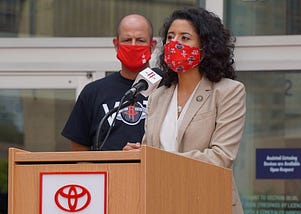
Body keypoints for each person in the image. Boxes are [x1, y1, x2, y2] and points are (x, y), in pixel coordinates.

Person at [123, 8, 246, 214]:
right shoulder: (158, 95)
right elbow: (151, 152)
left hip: (208, 202)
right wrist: (140, 155)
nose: (174, 44)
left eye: (185, 37)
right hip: (160, 203)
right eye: (170, 37)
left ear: (206, 46)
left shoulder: (228, 92)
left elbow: (221, 157)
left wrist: (158, 159)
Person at [61, 14, 158, 151]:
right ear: (116, 45)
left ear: (152, 45)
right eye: (127, 40)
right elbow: (79, 150)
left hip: (156, 170)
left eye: (140, 40)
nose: (133, 45)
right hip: (108, 172)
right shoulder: (93, 92)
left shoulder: (166, 88)